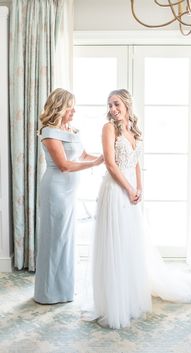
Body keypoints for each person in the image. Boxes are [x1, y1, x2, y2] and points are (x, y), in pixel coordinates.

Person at [90, 89, 191, 329]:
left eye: (116, 104)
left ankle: (129, 297)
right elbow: (112, 165)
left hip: (130, 192)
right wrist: (128, 189)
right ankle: (113, 304)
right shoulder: (108, 129)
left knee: (129, 244)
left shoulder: (132, 130)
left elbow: (135, 162)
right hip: (115, 191)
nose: (113, 109)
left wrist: (140, 189)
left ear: (126, 105)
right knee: (114, 244)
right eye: (110, 105)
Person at [34, 88, 103, 304]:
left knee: (66, 239)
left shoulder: (72, 130)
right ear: (60, 107)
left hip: (70, 192)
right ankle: (47, 293)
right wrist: (94, 163)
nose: (73, 111)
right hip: (55, 190)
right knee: (55, 239)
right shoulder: (49, 132)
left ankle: (63, 289)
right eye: (70, 107)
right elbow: (64, 165)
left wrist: (104, 157)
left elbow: (82, 154)